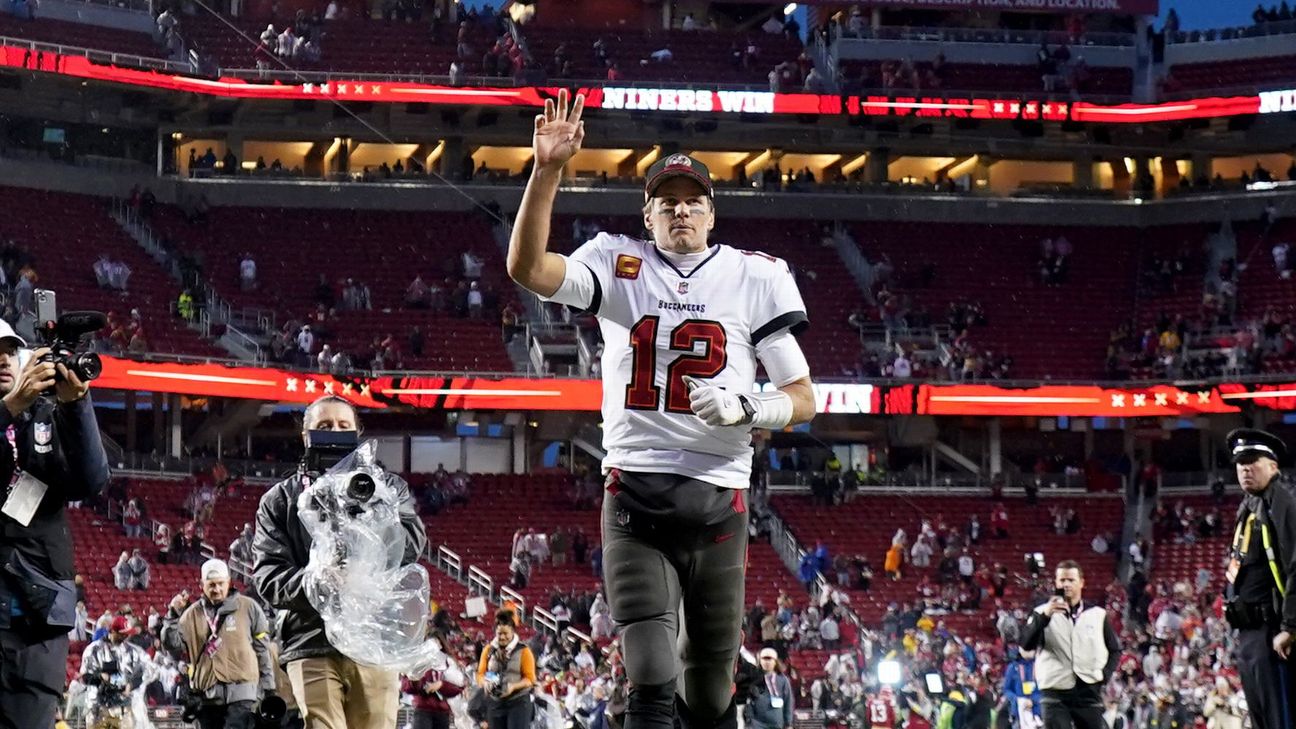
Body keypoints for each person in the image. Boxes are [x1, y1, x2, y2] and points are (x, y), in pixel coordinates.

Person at [506, 90, 816, 729]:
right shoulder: (621, 264)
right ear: (647, 217)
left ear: (712, 213)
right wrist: (547, 170)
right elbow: (527, 268)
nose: (681, 211)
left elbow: (804, 399)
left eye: (692, 201)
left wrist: (746, 405)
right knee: (649, 673)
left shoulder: (754, 278)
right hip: (636, 495)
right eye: (666, 202)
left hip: (719, 503)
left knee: (707, 693)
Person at [251, 395, 428, 729]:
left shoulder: (383, 488)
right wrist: (316, 583)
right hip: (310, 641)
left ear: (357, 433)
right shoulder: (280, 500)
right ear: (306, 436)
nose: (334, 432)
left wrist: (377, 514)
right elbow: (268, 577)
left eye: (344, 426)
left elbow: (413, 543)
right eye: (324, 426)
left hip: (374, 639)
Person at [0, 321, 111, 729]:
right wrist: (9, 407)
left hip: (35, 618)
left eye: (9, 354)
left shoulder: (44, 418)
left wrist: (76, 405)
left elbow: (90, 480)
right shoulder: (15, 412)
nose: (2, 362)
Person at [1221, 428, 1296, 729]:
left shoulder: (1283, 502)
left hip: (1273, 634)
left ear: (1273, 466)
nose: (1245, 469)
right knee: (1262, 720)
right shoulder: (1251, 504)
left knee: (1281, 719)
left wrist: (1291, 626)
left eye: (1253, 461)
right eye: (1240, 463)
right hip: (1251, 633)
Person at [161, 558, 275, 729]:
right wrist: (172, 615)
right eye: (211, 585)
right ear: (201, 584)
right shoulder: (191, 614)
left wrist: (268, 688)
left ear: (229, 581)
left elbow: (262, 650)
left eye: (221, 583)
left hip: (243, 694)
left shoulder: (249, 607)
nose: (217, 589)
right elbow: (172, 645)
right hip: (207, 697)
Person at [1021, 560, 1119, 729]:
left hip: (1088, 689)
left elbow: (1114, 649)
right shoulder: (1040, 612)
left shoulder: (1097, 614)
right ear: (1056, 583)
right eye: (1062, 580)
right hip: (1055, 690)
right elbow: (1025, 646)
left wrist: (1104, 675)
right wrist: (1044, 616)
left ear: (1082, 582)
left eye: (1071, 580)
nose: (1066, 584)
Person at [80, 615, 149, 729]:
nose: (125, 637)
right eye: (122, 634)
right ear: (112, 631)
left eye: (127, 634)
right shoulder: (94, 649)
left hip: (124, 708)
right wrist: (101, 677)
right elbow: (85, 676)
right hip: (98, 708)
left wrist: (130, 686)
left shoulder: (132, 651)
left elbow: (140, 675)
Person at [475, 609, 536, 729]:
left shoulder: (524, 651)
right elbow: (480, 674)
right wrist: (485, 682)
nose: (502, 637)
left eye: (506, 633)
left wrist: (513, 686)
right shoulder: (488, 650)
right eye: (499, 634)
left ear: (513, 631)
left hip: (518, 702)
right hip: (495, 702)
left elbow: (530, 679)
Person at [744, 648, 792, 729]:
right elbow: (748, 700)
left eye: (769, 659)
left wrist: (788, 723)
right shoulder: (753, 678)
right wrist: (749, 719)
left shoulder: (783, 680)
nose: (767, 662)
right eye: (764, 659)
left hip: (777, 722)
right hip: (757, 723)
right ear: (760, 661)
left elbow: (788, 701)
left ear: (775, 661)